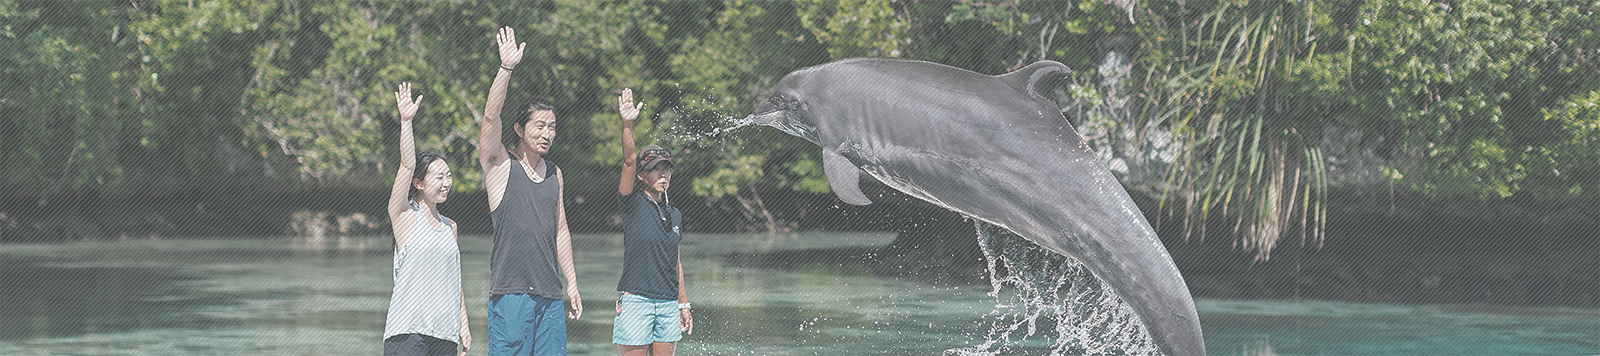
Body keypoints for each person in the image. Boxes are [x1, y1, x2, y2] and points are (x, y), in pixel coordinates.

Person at [477, 27, 582, 355]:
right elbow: (491, 117)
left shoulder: (555, 174)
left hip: (550, 295)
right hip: (511, 295)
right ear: (520, 130)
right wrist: (506, 68)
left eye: (552, 127)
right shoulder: (499, 165)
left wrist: (572, 284)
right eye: (540, 126)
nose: (548, 133)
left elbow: (561, 231)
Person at [384, 82, 471, 356]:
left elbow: (454, 279)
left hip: (444, 334)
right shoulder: (404, 216)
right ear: (419, 183)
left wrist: (464, 325)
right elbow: (407, 165)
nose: (447, 182)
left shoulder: (450, 227)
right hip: (408, 332)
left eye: (449, 176)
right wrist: (406, 121)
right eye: (439, 177)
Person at [612, 88, 693, 356]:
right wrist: (627, 124)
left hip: (668, 303)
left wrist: (683, 304)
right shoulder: (632, 205)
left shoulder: (675, 214)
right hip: (637, 300)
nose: (663, 173)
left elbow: (675, 261)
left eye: (667, 167)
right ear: (642, 176)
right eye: (656, 168)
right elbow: (628, 160)